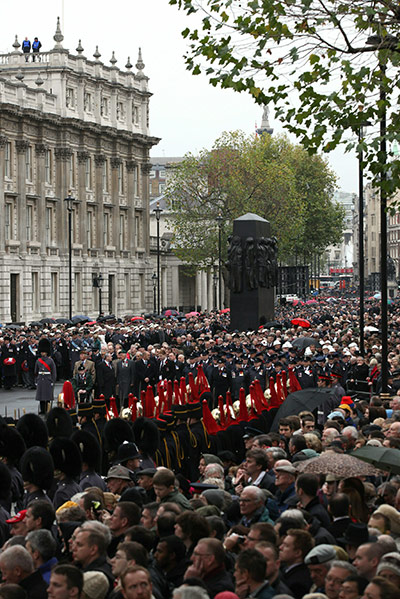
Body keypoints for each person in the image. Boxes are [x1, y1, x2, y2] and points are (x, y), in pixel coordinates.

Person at [35, 338, 56, 414]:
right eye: (42, 352)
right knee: (41, 396)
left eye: (44, 352)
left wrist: (52, 381)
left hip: (47, 379)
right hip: (40, 379)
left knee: (47, 396)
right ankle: (42, 409)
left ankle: (48, 409)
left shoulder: (50, 361)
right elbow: (36, 371)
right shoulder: (38, 360)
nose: (42, 353)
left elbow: (53, 372)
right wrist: (36, 380)